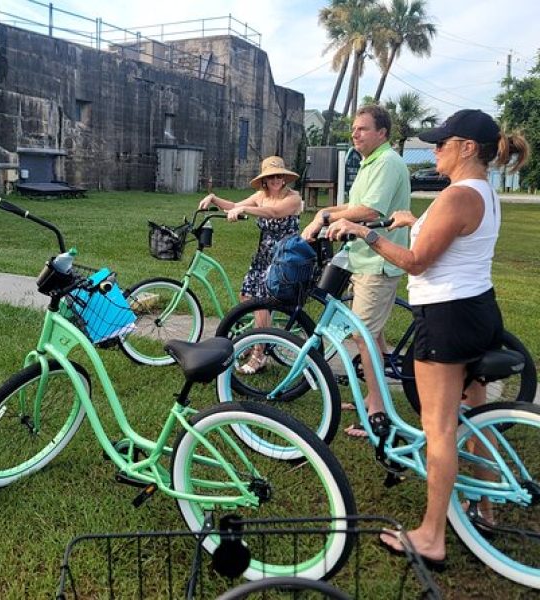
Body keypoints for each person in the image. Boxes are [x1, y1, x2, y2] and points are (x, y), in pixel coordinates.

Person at [328, 109, 529, 568]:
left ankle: (432, 536)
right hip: (478, 310)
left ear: (467, 149)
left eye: (442, 143)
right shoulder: (482, 192)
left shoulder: (459, 196)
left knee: (438, 428)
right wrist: (412, 219)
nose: (434, 149)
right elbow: (451, 239)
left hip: (446, 318)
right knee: (476, 416)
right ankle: (485, 504)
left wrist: (366, 234)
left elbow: (417, 262)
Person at [302, 105, 410, 438]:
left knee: (361, 337)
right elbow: (350, 208)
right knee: (371, 336)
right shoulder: (368, 162)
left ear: (382, 133)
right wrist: (322, 214)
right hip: (361, 260)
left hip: (377, 262)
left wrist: (327, 219)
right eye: (353, 128)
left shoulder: (388, 162)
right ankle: (371, 396)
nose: (355, 133)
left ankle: (378, 411)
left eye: (362, 128)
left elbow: (369, 210)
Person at [198, 156, 302, 374]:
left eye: (279, 175)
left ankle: (259, 353)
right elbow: (235, 206)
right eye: (270, 176)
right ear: (264, 180)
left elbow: (274, 213)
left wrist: (245, 210)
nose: (275, 180)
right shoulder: (261, 196)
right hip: (263, 255)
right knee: (246, 297)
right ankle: (256, 340)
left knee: (260, 304)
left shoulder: (293, 198)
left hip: (284, 257)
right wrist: (215, 199)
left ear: (284, 178)